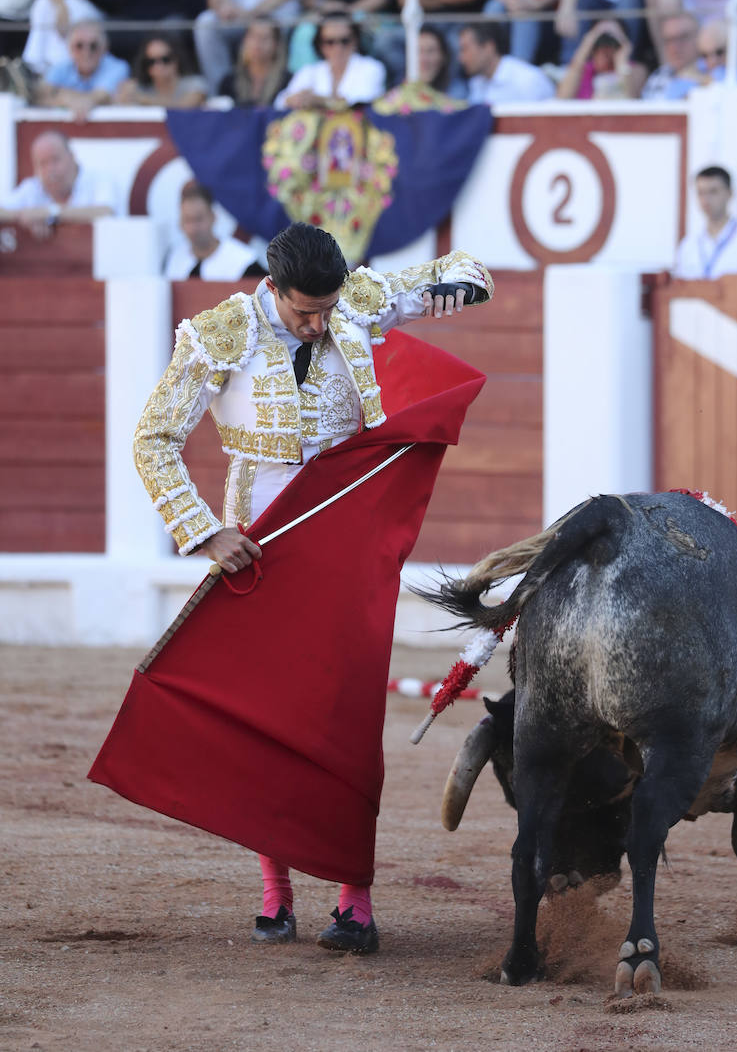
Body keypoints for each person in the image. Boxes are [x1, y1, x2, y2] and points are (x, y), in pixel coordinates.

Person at [132, 220, 493, 952]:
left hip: (345, 537)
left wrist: (458, 290)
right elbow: (153, 438)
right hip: (256, 546)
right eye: (306, 311)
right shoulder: (221, 332)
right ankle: (276, 889)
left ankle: (353, 897)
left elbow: (466, 270)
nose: (321, 322)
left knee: (346, 716)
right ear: (272, 288)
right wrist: (204, 531)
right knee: (268, 719)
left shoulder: (353, 299)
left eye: (328, 308)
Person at [0, 128, 116, 237]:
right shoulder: (32, 188)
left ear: (72, 157)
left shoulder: (98, 180)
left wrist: (51, 213)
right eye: (43, 163)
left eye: (55, 160)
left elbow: (106, 212)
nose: (50, 170)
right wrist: (26, 216)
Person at [673, 164, 737, 279]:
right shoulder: (689, 244)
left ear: (730, 193)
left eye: (713, 192)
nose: (706, 200)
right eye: (701, 193)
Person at [276, 12, 387, 107]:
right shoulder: (309, 71)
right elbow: (279, 103)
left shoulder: (372, 68)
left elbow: (362, 103)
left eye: (344, 41)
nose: (337, 48)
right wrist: (294, 99)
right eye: (330, 42)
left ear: (355, 41)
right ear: (320, 45)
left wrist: (320, 101)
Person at [164, 180, 265, 278]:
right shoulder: (174, 260)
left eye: (198, 219)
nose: (193, 228)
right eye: (187, 220)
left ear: (213, 217)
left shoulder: (243, 262)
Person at [35, 18, 130, 119]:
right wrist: (77, 100)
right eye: (79, 46)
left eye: (93, 46)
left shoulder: (118, 67)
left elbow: (101, 96)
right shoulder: (60, 67)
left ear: (105, 48)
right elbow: (40, 95)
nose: (86, 52)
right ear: (69, 48)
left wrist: (60, 94)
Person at [457, 19, 555, 101]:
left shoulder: (527, 81)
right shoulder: (476, 82)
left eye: (465, 49)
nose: (461, 58)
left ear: (488, 47)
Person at [554, 16, 645, 97]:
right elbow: (563, 97)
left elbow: (632, 98)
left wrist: (622, 60)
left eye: (611, 40)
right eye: (600, 40)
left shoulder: (635, 69)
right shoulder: (583, 70)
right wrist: (585, 47)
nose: (605, 48)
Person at [115, 32, 209, 106]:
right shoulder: (141, 89)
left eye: (165, 60)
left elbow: (184, 107)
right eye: (151, 62)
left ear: (176, 59)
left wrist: (144, 100)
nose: (158, 66)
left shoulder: (194, 84)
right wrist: (125, 96)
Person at [218, 17, 291, 105]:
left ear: (276, 44)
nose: (258, 43)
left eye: (265, 38)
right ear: (245, 40)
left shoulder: (288, 81)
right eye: (253, 36)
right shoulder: (229, 81)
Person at [640, 8, 701, 97]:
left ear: (698, 38)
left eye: (683, 37)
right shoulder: (658, 77)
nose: (675, 47)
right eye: (669, 40)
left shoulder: (713, 74)